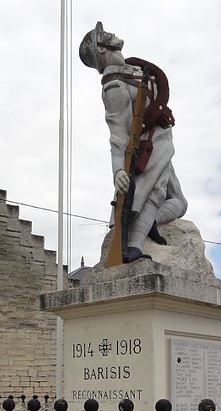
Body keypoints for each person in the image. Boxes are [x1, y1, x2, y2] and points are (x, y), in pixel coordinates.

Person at [79, 22, 187, 263]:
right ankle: (133, 246)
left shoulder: (134, 70)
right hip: (146, 148)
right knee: (155, 194)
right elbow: (117, 132)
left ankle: (148, 222)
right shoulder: (114, 85)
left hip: (160, 142)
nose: (113, 35)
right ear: (101, 49)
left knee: (179, 203)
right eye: (105, 35)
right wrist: (118, 170)